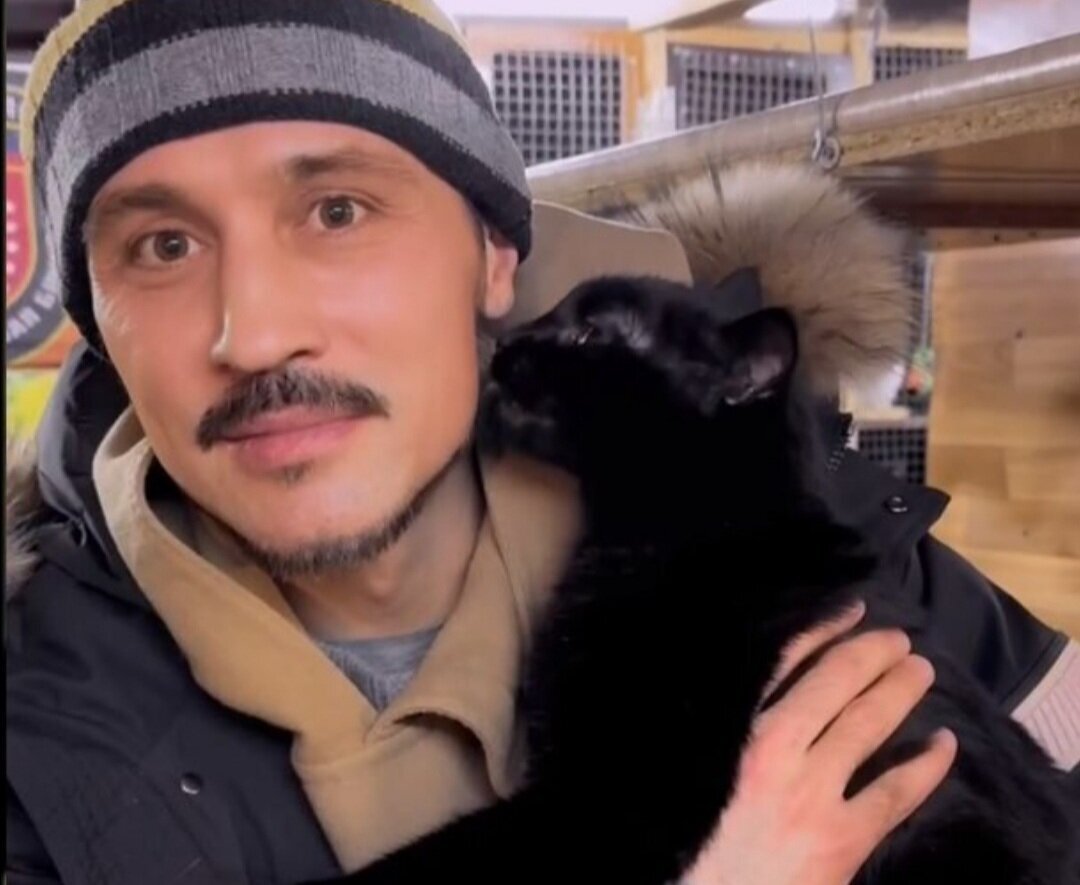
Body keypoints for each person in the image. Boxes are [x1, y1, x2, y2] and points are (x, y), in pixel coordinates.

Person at [6, 1, 1077, 883]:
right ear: (101, 326)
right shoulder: (33, 741)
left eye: (337, 211)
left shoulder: (828, 538)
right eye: (164, 244)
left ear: (493, 256)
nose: (254, 333)